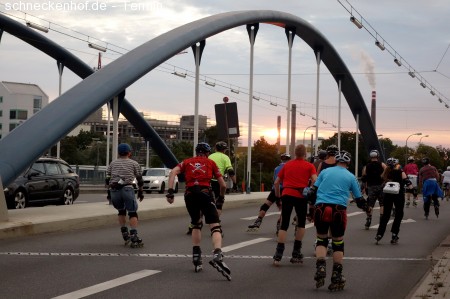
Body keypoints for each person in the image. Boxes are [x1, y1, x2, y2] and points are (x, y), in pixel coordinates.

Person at [166, 142, 231, 280]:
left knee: (196, 223)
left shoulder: (187, 162)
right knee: (215, 225)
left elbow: (173, 172)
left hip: (189, 195)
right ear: (207, 153)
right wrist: (221, 198)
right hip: (205, 193)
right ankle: (217, 255)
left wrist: (170, 192)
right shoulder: (210, 162)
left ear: (196, 152)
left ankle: (196, 257)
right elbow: (223, 185)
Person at [308, 150, 367, 291]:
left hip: (321, 208)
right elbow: (359, 199)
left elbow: (312, 191)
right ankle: (337, 275)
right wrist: (367, 208)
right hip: (338, 210)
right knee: (338, 242)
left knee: (321, 239)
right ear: (348, 162)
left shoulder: (324, 172)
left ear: (336, 161)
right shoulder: (351, 176)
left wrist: (311, 210)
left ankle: (320, 268)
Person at [272, 144, 317, 265]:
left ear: (295, 153)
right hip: (301, 195)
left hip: (287, 194)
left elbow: (276, 183)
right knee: (301, 223)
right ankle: (296, 252)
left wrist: (278, 198)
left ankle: (278, 254)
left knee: (284, 224)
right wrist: (311, 191)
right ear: (305, 154)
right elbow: (315, 181)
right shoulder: (309, 166)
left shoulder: (287, 165)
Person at [106, 143, 144, 248]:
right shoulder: (134, 163)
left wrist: (108, 193)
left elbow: (107, 178)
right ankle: (134, 235)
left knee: (121, 211)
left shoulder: (113, 163)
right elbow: (139, 179)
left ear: (118, 153)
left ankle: (124, 233)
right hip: (128, 188)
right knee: (132, 213)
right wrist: (140, 191)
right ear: (129, 153)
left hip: (114, 190)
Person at [247, 153, 291, 233]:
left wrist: (277, 196)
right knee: (284, 209)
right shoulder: (290, 168)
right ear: (289, 160)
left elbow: (275, 181)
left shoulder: (276, 168)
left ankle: (258, 221)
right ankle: (279, 225)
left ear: (281, 160)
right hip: (285, 189)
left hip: (275, 189)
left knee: (266, 205)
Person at [375, 158, 412, 245]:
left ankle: (379, 234)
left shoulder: (385, 173)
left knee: (386, 215)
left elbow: (381, 182)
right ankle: (394, 234)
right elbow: (407, 182)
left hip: (387, 195)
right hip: (398, 194)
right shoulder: (400, 172)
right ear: (397, 165)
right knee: (399, 214)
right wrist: (413, 190)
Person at [208, 141, 237, 215]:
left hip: (208, 181)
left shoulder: (210, 156)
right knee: (219, 201)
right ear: (224, 150)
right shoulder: (225, 157)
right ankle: (216, 220)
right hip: (219, 181)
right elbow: (231, 172)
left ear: (215, 149)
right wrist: (235, 184)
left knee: (207, 200)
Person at [361, 149, 387, 229]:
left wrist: (364, 188)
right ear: (378, 156)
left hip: (371, 187)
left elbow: (364, 178)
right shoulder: (382, 165)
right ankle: (382, 220)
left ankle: (368, 219)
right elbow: (388, 173)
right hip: (381, 186)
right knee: (382, 204)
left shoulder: (366, 166)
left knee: (370, 204)